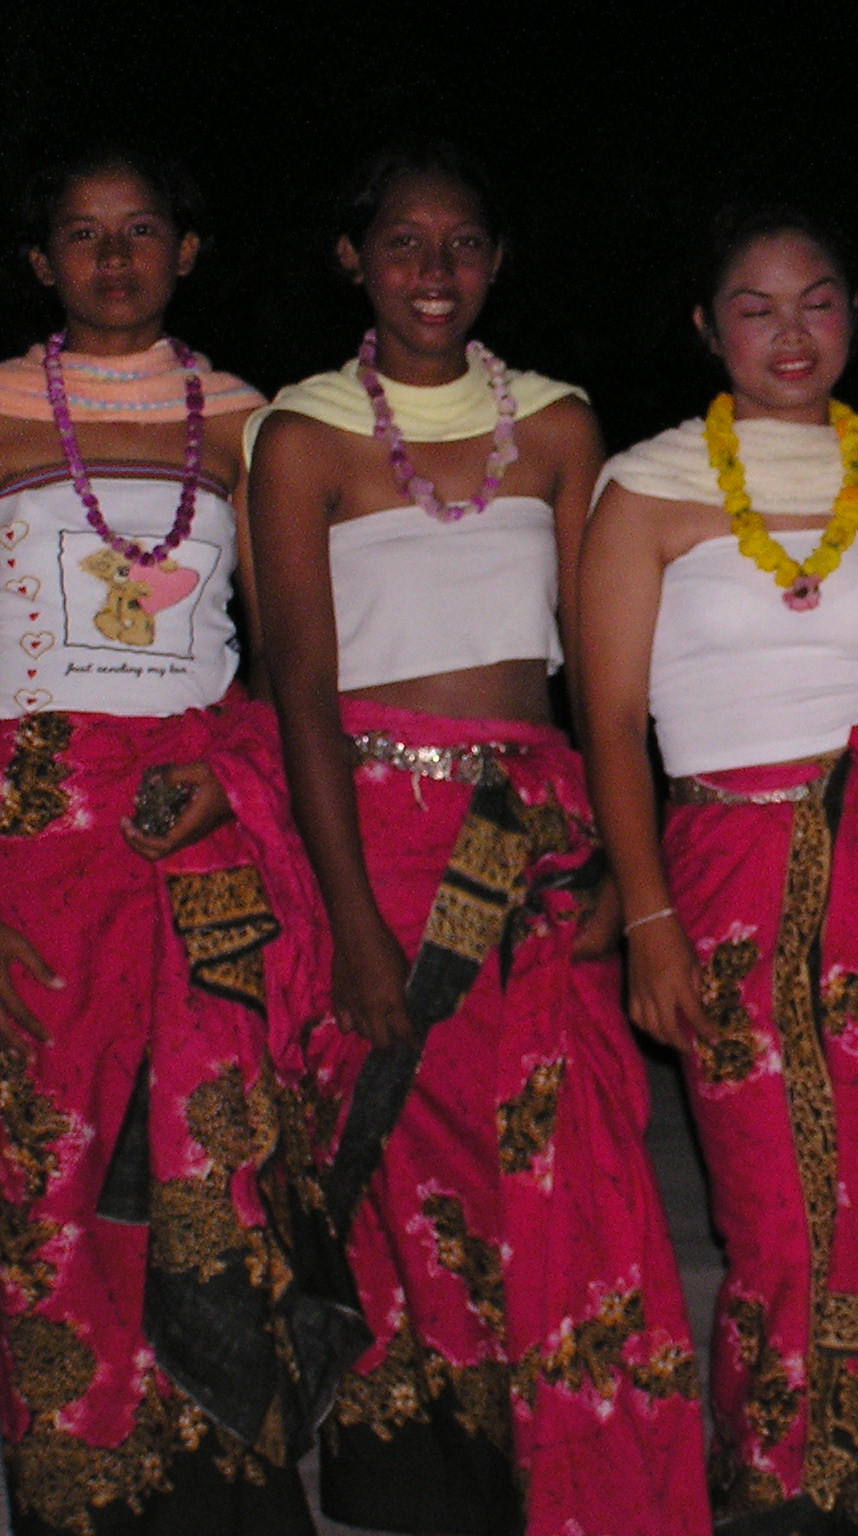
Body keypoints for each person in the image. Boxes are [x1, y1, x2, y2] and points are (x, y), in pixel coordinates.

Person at [246, 139, 710, 1536]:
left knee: (578, 1167)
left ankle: (594, 1472)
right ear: (353, 259)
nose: (432, 272)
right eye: (402, 244)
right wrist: (352, 922)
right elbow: (300, 693)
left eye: (460, 246)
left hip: (537, 830)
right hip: (377, 833)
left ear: (496, 263)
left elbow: (606, 676)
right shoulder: (304, 433)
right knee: (413, 1180)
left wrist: (633, 876)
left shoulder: (563, 427)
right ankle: (435, 1485)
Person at [579, 205, 858, 1536]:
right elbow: (608, 721)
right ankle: (782, 1490)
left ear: (855, 318)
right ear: (709, 328)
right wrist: (646, 918)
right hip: (722, 872)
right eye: (756, 307)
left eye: (818, 301)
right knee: (770, 1204)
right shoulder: (646, 489)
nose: (791, 333)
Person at [0, 142, 325, 1535]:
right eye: (83, 234)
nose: (114, 257)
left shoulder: (253, 422)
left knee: (209, 1142)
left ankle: (216, 1478)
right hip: (35, 830)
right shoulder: (0, 407)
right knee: (47, 1148)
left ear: (188, 249)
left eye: (142, 230)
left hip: (198, 813)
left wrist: (238, 778)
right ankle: (75, 1470)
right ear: (39, 261)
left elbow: (300, 647)